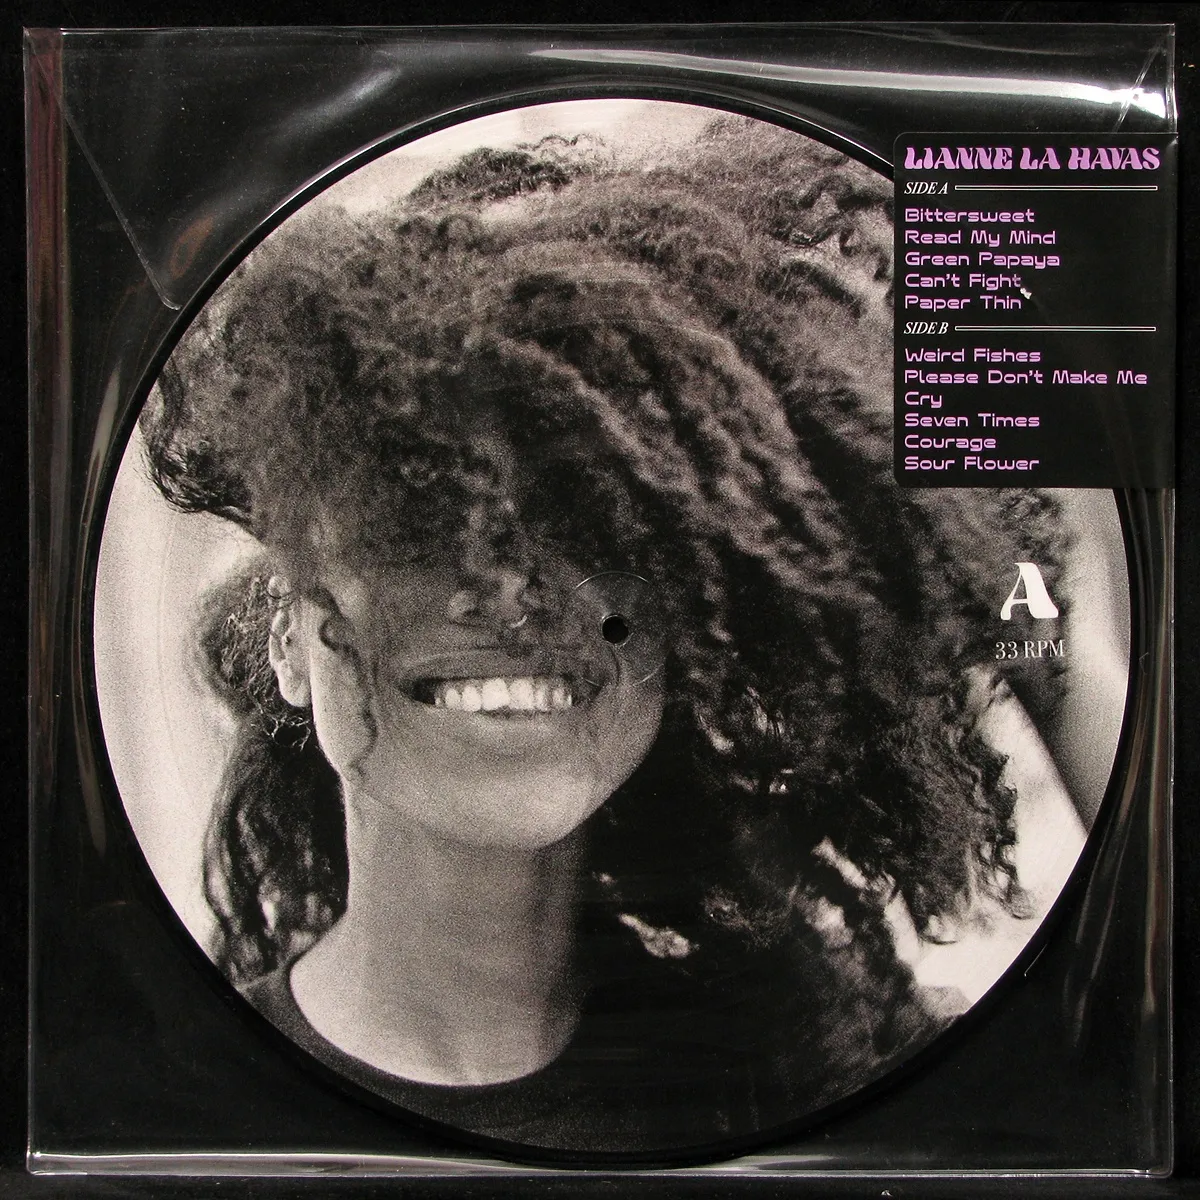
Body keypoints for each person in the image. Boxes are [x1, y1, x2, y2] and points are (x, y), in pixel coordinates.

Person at [138, 114, 1098, 1156]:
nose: (511, 591)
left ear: (678, 629)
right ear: (291, 640)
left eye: (589, 524)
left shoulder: (799, 1075)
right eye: (416, 522)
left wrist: (994, 568)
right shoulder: (176, 1115)